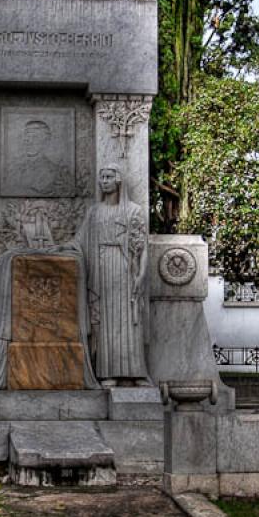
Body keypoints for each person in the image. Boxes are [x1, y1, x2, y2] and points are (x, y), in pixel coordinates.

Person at [71, 165, 149, 386]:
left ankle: (135, 372)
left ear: (118, 181)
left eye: (108, 177)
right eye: (101, 177)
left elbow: (141, 247)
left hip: (126, 268)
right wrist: (60, 248)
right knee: (105, 322)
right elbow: (80, 240)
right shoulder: (95, 211)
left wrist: (141, 275)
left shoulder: (133, 211)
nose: (103, 181)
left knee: (129, 321)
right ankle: (108, 373)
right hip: (102, 268)